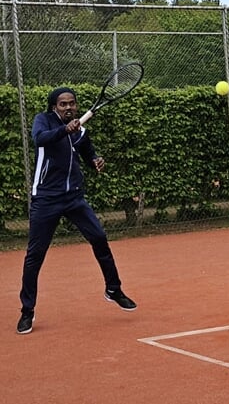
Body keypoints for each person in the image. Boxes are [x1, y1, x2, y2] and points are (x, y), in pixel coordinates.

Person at [17, 87, 136, 335]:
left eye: (71, 103)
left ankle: (113, 289)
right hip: (46, 199)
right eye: (62, 104)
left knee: (100, 239)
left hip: (74, 199)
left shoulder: (80, 130)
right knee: (35, 255)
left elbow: (89, 153)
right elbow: (40, 139)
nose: (68, 107)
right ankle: (27, 311)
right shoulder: (43, 121)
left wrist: (96, 161)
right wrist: (64, 130)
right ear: (53, 107)